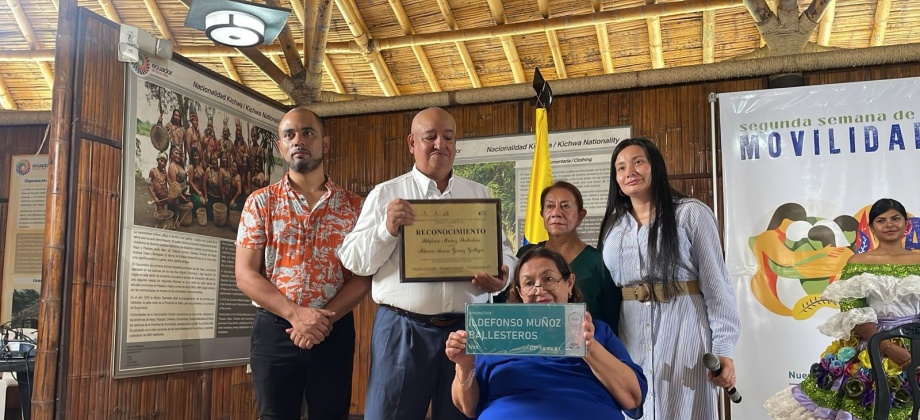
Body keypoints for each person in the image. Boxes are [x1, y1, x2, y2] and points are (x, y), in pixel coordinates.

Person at [337, 107, 517, 420]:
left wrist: (504, 276)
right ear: (411, 143)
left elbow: (506, 254)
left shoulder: (479, 194)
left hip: (467, 330)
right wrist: (386, 229)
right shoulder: (387, 194)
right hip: (402, 330)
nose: (440, 144)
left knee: (465, 413)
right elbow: (354, 260)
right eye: (430, 137)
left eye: (448, 137)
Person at [235, 107, 369, 420]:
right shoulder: (260, 202)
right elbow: (245, 274)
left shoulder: (354, 207)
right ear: (281, 146)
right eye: (289, 134)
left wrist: (321, 321)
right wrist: (296, 315)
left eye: (308, 132)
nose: (299, 140)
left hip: (331, 329)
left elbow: (363, 276)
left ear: (326, 143)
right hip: (274, 331)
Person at [597, 138, 740, 419]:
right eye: (621, 167)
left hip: (684, 333)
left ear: (655, 167)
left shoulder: (691, 214)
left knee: (686, 408)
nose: (630, 171)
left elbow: (716, 285)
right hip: (631, 337)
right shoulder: (614, 227)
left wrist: (724, 349)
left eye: (638, 162)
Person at [445, 247, 646, 419]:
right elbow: (467, 408)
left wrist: (589, 347)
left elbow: (633, 397)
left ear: (569, 284)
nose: (539, 289)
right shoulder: (496, 333)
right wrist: (464, 365)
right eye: (529, 283)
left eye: (548, 279)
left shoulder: (598, 332)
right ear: (520, 292)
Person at [765, 198, 920, 420]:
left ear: (906, 224)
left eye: (896, 218)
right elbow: (854, 312)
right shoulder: (858, 262)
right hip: (873, 346)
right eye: (881, 220)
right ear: (872, 228)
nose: (890, 224)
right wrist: (891, 350)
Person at [510, 181, 621, 333]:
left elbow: (612, 319)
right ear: (542, 214)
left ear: (581, 215)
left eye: (565, 206)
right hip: (533, 350)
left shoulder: (600, 262)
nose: (556, 213)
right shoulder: (525, 256)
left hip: (587, 349)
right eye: (550, 206)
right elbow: (510, 307)